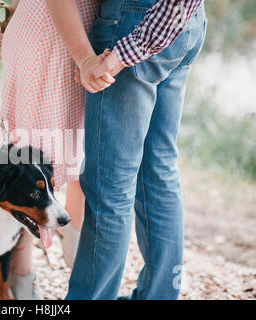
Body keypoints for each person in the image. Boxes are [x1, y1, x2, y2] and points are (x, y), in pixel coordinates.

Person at [66, 0, 207, 299]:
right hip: (185, 22)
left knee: (109, 184)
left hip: (134, 23)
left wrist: (117, 56)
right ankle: (159, 295)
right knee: (158, 168)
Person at [0, 0, 114, 299]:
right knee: (34, 156)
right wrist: (85, 58)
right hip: (56, 35)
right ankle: (27, 273)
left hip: (69, 30)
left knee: (70, 149)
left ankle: (58, 269)